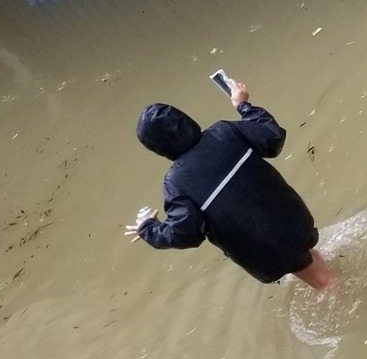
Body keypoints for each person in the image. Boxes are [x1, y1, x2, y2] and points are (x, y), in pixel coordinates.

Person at [126, 80, 334, 290]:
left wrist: (149, 228)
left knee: (324, 282)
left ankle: (343, 295)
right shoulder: (225, 132)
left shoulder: (176, 183)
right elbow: (272, 135)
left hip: (266, 247)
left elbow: (184, 233)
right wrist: (243, 105)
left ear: (156, 148)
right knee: (308, 257)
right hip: (293, 218)